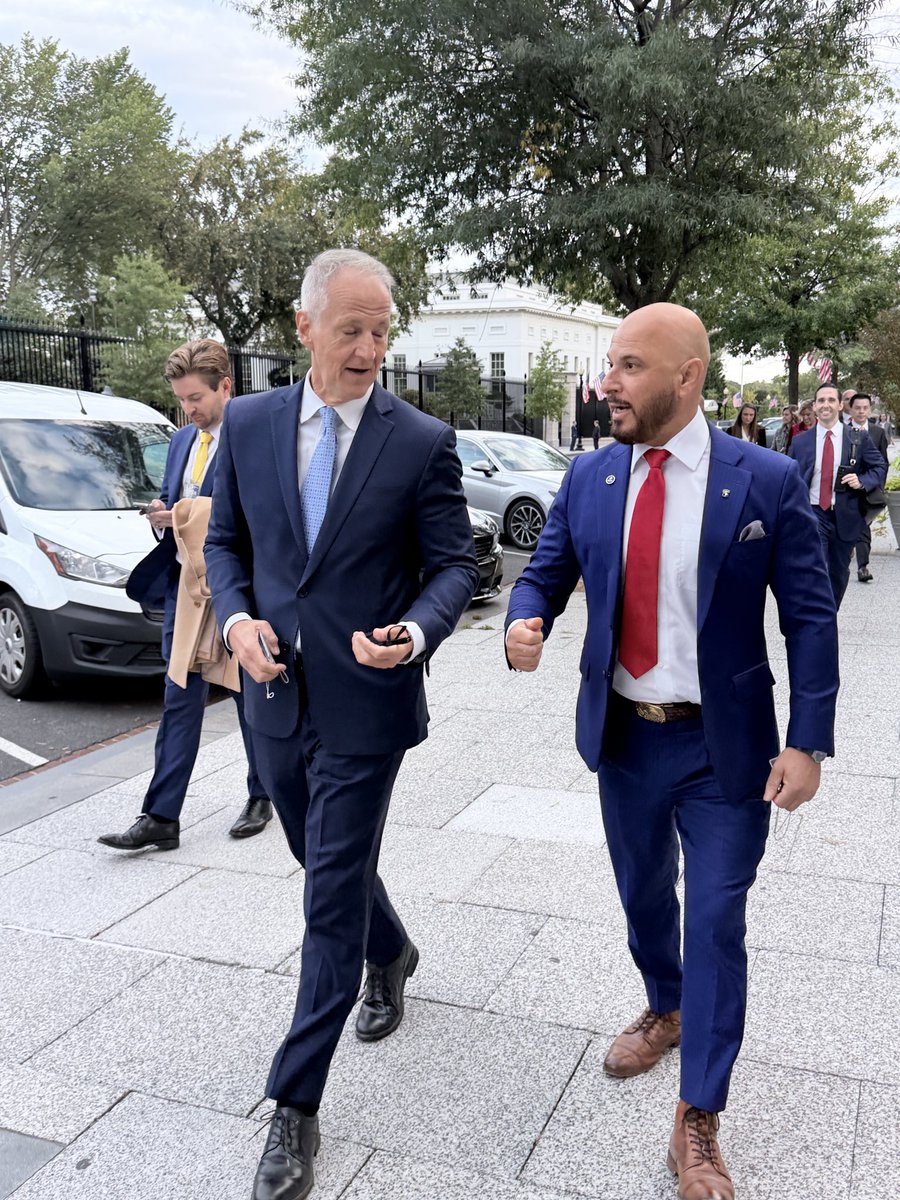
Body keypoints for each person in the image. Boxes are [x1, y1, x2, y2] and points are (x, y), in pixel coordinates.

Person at [505, 303, 839, 1200]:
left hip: (724, 748)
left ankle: (700, 1116)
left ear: (687, 378)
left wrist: (809, 741)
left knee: (718, 916)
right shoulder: (591, 478)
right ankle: (666, 1003)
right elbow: (546, 569)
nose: (606, 382)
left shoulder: (763, 480)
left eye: (629, 366)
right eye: (609, 363)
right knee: (644, 893)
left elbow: (810, 618)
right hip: (625, 738)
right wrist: (524, 616)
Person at [204, 249, 478, 1200]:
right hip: (273, 694)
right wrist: (235, 621)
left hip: (369, 702)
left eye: (382, 330)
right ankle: (392, 949)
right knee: (319, 860)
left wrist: (419, 629)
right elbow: (230, 540)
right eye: (352, 329)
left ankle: (294, 1109)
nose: (370, 349)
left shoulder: (420, 440)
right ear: (304, 325)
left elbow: (455, 566)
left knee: (325, 894)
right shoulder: (245, 422)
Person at [98, 341, 273, 851]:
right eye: (181, 399)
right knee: (179, 698)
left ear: (226, 386)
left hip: (236, 590)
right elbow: (180, 509)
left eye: (195, 398)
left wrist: (185, 515)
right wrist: (164, 514)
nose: (188, 409)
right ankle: (161, 817)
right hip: (184, 589)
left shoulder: (252, 440)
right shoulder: (179, 442)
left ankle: (263, 795)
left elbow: (254, 518)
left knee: (248, 697)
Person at [788, 383, 886, 608]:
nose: (826, 405)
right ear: (814, 406)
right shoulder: (801, 441)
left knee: (838, 572)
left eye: (831, 400)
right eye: (821, 400)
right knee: (818, 567)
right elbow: (790, 476)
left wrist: (862, 481)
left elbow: (878, 466)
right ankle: (819, 617)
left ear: (840, 405)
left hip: (846, 515)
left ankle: (829, 613)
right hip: (813, 514)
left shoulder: (857, 437)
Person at [848, 392, 890, 584]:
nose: (861, 411)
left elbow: (883, 462)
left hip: (869, 489)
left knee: (863, 525)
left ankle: (862, 564)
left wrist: (878, 486)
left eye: (865, 408)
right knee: (854, 526)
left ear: (870, 409)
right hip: (847, 488)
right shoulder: (843, 431)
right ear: (850, 409)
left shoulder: (877, 432)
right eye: (858, 408)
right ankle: (854, 560)